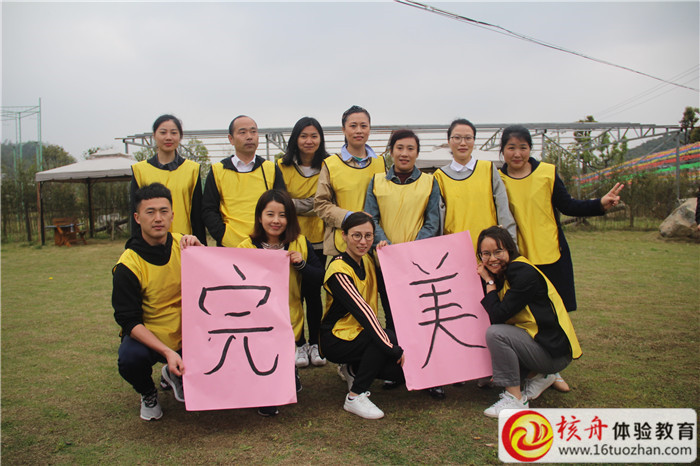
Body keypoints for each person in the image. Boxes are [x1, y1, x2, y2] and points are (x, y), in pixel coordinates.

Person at [498, 124, 622, 393]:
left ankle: (551, 370)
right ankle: (530, 369)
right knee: (522, 317)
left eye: (523, 147)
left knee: (553, 317)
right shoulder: (496, 178)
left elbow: (568, 205)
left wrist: (600, 203)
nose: (517, 153)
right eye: (511, 147)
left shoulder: (547, 173)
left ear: (530, 149)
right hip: (518, 262)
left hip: (551, 257)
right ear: (503, 151)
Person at [363, 129, 444, 399]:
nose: (404, 153)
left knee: (426, 316)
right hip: (386, 262)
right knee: (394, 317)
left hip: (420, 263)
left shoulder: (430, 182)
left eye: (410, 148)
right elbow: (371, 218)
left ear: (417, 153)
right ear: (391, 151)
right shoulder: (376, 181)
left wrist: (411, 251)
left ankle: (432, 375)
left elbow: (433, 221)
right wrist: (384, 244)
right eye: (399, 148)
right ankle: (398, 370)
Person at [113, 183, 203, 421]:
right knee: (129, 359)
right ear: (137, 218)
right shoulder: (128, 265)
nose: (158, 218)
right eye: (150, 212)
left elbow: (213, 280)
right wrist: (166, 351)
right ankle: (147, 392)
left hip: (189, 333)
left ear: (172, 215)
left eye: (164, 211)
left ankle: (173, 374)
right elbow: (128, 321)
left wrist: (202, 251)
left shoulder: (185, 245)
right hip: (152, 337)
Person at [475, 226, 582, 418]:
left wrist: (488, 281)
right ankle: (540, 376)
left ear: (509, 249)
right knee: (487, 374)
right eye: (486, 254)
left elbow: (497, 315)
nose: (492, 258)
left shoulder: (522, 273)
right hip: (541, 345)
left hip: (553, 354)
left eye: (498, 251)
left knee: (496, 333)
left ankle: (515, 399)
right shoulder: (507, 272)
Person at [238, 190, 324, 416]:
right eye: (270, 214)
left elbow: (320, 277)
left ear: (290, 218)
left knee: (283, 364)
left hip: (289, 317)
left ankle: (287, 371)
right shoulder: (245, 247)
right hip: (256, 321)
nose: (276, 221)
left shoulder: (299, 243)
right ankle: (265, 392)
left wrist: (302, 265)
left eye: (282, 215)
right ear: (259, 217)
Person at [319, 212, 405, 420]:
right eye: (356, 235)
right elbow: (364, 313)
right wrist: (393, 349)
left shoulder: (367, 260)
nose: (363, 241)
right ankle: (355, 396)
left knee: (398, 373)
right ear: (344, 235)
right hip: (336, 338)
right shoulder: (338, 270)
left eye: (368, 236)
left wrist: (385, 258)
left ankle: (352, 368)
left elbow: (389, 288)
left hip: (360, 333)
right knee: (384, 340)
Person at [278, 117, 329, 368]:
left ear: (321, 139)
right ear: (295, 139)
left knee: (314, 294)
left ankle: (315, 343)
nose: (309, 141)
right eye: (304, 135)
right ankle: (297, 343)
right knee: (292, 295)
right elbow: (280, 201)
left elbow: (326, 202)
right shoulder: (280, 166)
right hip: (290, 239)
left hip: (319, 240)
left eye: (314, 136)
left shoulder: (329, 165)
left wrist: (295, 203)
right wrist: (312, 203)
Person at [202, 115, 286, 247]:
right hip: (230, 246)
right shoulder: (217, 170)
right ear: (231, 139)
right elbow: (209, 209)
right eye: (242, 132)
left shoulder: (271, 169)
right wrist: (223, 235)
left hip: (264, 245)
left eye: (253, 132)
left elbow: (283, 205)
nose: (249, 137)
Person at [314, 105, 387, 257]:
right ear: (344, 130)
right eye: (353, 126)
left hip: (376, 244)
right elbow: (320, 204)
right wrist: (350, 218)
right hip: (342, 245)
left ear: (369, 129)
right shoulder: (331, 164)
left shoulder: (380, 163)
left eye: (363, 126)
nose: (359, 131)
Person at [434, 118, 516, 251]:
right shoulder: (439, 177)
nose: (463, 143)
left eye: (468, 138)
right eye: (457, 138)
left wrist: (512, 249)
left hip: (490, 250)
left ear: (474, 141)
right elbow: (438, 221)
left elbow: (504, 213)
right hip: (456, 251)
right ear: (449, 141)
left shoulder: (488, 169)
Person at [130, 114, 207, 244]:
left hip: (183, 242)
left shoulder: (192, 170)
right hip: (150, 243)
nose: (168, 137)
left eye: (173, 133)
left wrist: (200, 245)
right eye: (163, 132)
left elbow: (197, 215)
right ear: (154, 136)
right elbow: (135, 211)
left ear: (180, 136)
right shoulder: (140, 170)